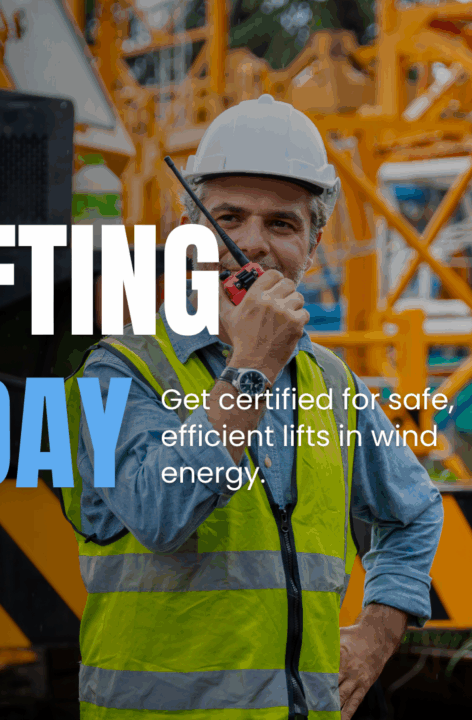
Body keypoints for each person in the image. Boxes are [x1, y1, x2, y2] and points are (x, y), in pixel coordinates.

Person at [62, 95, 443, 720]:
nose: (251, 246)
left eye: (283, 225)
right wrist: (252, 367)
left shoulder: (331, 384)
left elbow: (416, 512)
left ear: (313, 246)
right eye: (228, 218)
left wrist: (377, 635)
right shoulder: (116, 374)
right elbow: (160, 514)